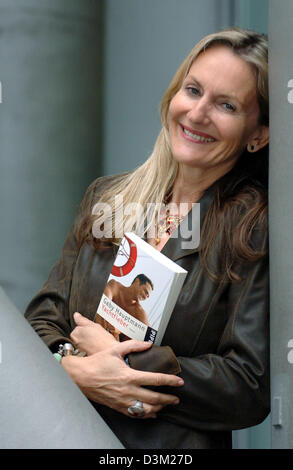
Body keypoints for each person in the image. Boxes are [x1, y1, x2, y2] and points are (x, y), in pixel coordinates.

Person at [25, 27, 270, 449]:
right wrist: (74, 371)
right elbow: (43, 322)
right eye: (193, 90)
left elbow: (249, 383)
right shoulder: (108, 199)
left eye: (226, 105)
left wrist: (127, 368)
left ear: (258, 135)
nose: (197, 114)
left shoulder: (256, 229)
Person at [96, 274, 154, 340]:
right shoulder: (115, 286)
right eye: (145, 291)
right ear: (137, 281)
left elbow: (149, 337)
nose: (145, 297)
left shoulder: (139, 311)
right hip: (98, 328)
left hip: (114, 342)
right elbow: (103, 302)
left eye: (147, 296)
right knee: (101, 307)